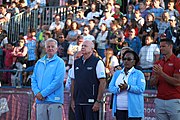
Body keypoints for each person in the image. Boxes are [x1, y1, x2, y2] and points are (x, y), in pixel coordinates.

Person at [70, 40, 106, 120]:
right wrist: (72, 100)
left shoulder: (97, 62)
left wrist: (98, 101)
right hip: (78, 102)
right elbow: (73, 82)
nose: (83, 47)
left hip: (91, 103)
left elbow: (102, 82)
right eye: (82, 46)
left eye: (85, 46)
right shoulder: (76, 62)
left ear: (92, 49)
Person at [31, 38, 66, 120]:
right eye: (48, 46)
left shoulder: (60, 62)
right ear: (45, 49)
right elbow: (33, 79)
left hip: (54, 101)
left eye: (52, 46)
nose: (50, 48)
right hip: (40, 101)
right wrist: (37, 93)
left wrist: (42, 94)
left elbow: (57, 82)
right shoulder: (39, 62)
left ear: (56, 49)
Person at [108, 50, 146, 120]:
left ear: (134, 61)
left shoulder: (139, 73)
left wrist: (128, 87)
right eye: (124, 59)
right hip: (119, 109)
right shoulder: (117, 73)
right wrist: (119, 89)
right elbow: (111, 87)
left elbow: (141, 89)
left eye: (129, 59)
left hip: (134, 111)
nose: (126, 61)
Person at [150, 38, 180, 120]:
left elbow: (177, 82)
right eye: (160, 46)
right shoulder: (158, 63)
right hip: (160, 99)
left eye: (163, 46)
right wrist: (156, 76)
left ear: (170, 46)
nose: (161, 48)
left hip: (174, 99)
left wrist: (161, 73)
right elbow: (152, 83)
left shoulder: (177, 62)